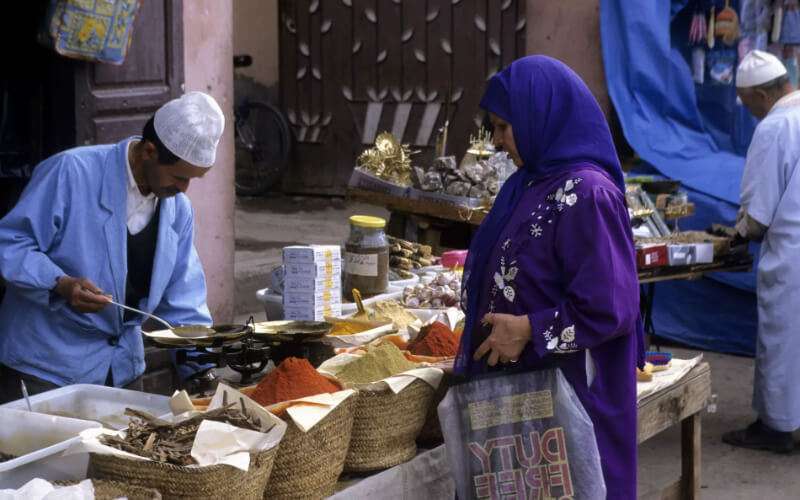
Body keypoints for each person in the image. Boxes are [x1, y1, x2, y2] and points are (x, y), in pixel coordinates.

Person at [456, 56, 644, 499]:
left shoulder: (587, 195)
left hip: (573, 398)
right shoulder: (529, 183)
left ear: (541, 115)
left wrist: (528, 329)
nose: (498, 142)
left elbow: (610, 309)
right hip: (528, 402)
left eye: (504, 127)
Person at [0, 92, 224, 403]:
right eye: (178, 177)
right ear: (148, 152)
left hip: (121, 372)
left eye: (193, 180)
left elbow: (183, 298)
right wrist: (60, 283)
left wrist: (201, 368)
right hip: (47, 368)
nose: (184, 189)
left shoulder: (178, 210)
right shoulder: (70, 172)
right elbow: (10, 243)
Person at [723, 50, 799, 453]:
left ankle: (776, 427)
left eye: (748, 102)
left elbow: (758, 206)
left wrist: (738, 234)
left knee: (783, 339)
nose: (747, 110)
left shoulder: (776, 125)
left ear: (761, 95)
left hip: (792, 254)